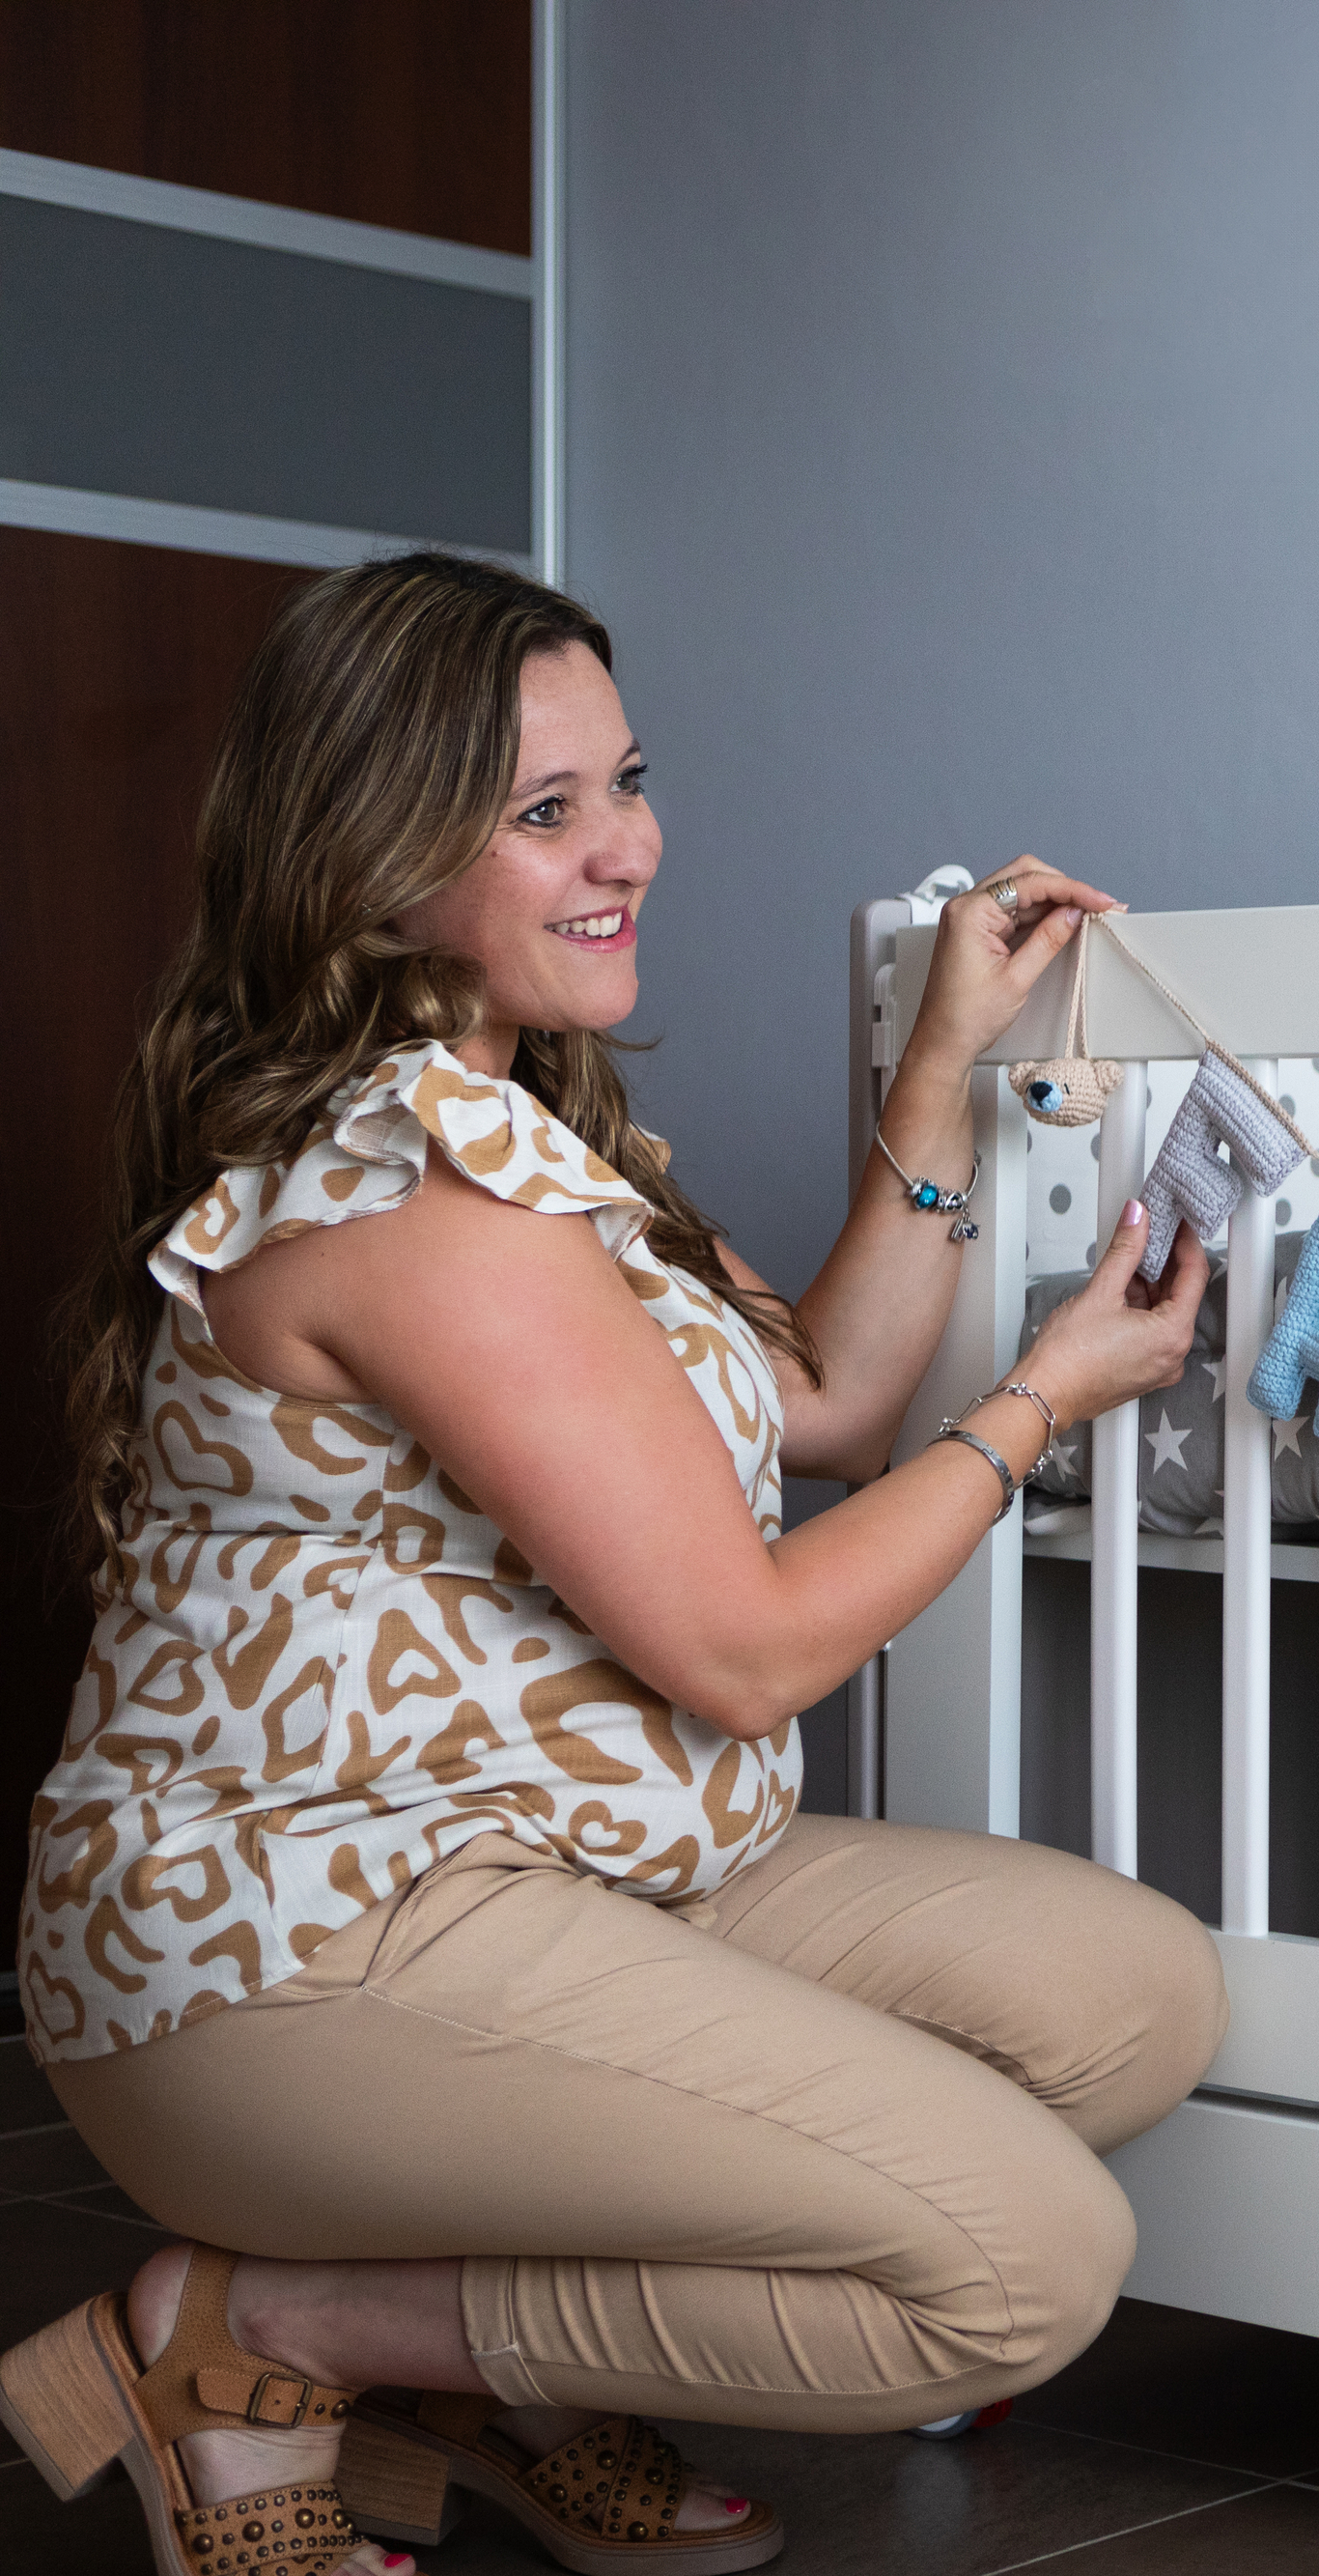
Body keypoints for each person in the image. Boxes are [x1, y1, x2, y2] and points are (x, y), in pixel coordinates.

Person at [4, 555, 1224, 2576]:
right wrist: (1035, 1409)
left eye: (624, 781)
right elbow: (746, 1655)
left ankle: (479, 2354)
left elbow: (822, 1391)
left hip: (546, 1864)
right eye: (541, 811)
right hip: (296, 1950)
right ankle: (256, 2333)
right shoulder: (424, 1203)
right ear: (372, 863)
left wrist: (939, 1066)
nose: (625, 847)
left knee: (1128, 1996)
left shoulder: (538, 1136)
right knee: (1020, 2264)